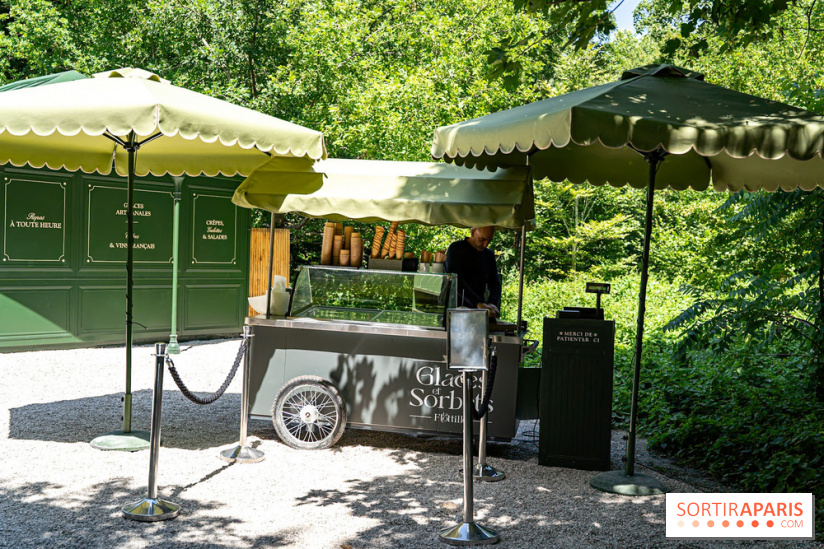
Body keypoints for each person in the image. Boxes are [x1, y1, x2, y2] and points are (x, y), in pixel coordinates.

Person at [444, 226, 501, 318]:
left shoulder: (488, 255)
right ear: (473, 232)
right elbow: (456, 281)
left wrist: (492, 303)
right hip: (455, 310)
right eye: (482, 239)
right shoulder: (456, 249)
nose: (486, 245)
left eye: (489, 241)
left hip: (479, 313)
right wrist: (477, 303)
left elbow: (495, 284)